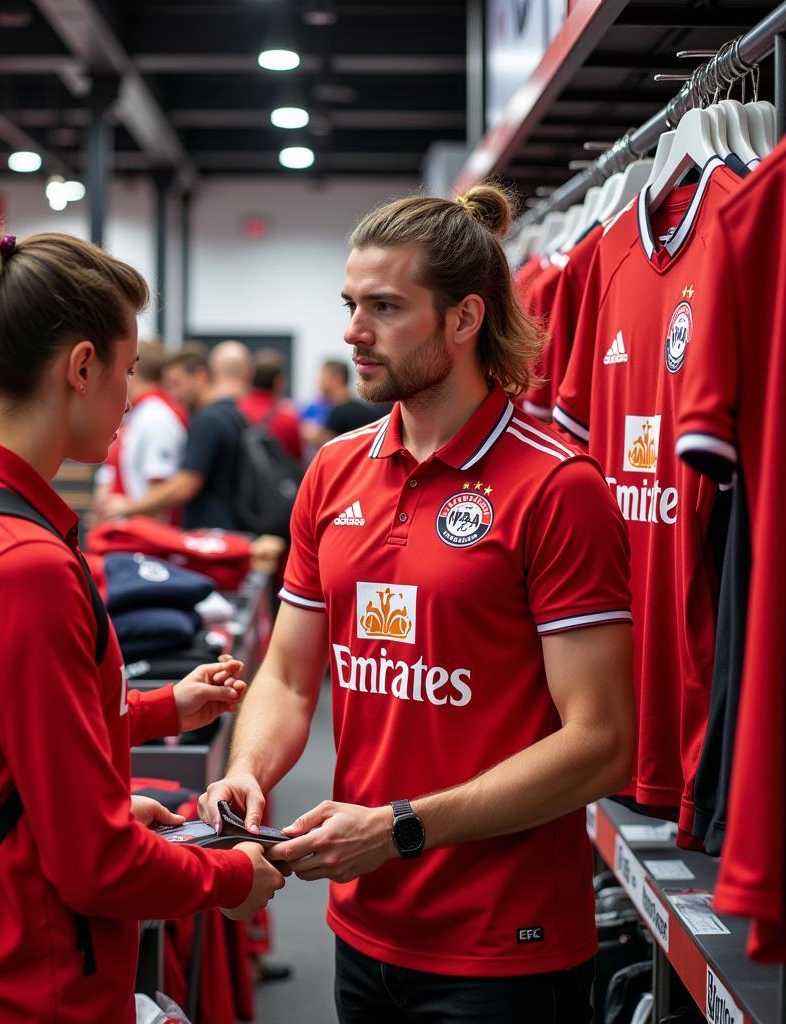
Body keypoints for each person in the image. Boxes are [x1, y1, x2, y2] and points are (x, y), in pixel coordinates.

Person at [200, 187, 635, 1024]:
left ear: (465, 317)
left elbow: (604, 744)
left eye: (386, 308)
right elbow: (289, 678)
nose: (353, 332)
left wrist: (401, 827)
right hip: (366, 928)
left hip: (506, 947)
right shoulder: (332, 473)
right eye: (351, 305)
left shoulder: (557, 487)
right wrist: (248, 771)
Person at [0, 215, 284, 1023]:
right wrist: (233, 879)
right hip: (30, 980)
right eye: (128, 371)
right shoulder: (21, 565)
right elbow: (93, 866)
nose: (131, 399)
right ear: (81, 366)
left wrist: (164, 709)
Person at [103, 340, 254, 530]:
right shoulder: (231, 413)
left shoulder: (208, 420)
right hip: (231, 527)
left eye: (177, 383)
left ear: (199, 376)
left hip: (215, 533)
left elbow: (186, 485)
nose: (173, 393)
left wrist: (127, 508)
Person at [91, 339, 189, 524]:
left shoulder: (156, 416)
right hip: (129, 538)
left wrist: (122, 509)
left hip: (144, 545)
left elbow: (163, 492)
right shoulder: (142, 412)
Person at [238, 348, 303, 460]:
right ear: (279, 383)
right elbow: (297, 460)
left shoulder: (236, 410)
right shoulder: (288, 419)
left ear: (249, 378)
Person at [318, 358, 391, 442]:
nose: (319, 380)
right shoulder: (362, 408)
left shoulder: (340, 412)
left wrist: (316, 436)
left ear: (337, 379)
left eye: (323, 376)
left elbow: (332, 446)